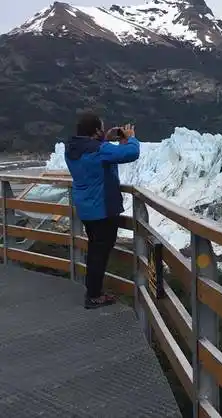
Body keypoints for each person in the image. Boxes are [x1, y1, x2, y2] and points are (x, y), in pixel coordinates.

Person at [64, 113, 140, 309]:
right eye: (101, 128)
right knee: (100, 253)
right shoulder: (99, 150)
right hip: (103, 210)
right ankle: (94, 296)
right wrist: (130, 137)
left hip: (86, 209)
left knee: (95, 249)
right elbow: (130, 154)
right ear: (96, 131)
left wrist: (105, 139)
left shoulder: (72, 149)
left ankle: (94, 291)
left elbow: (96, 160)